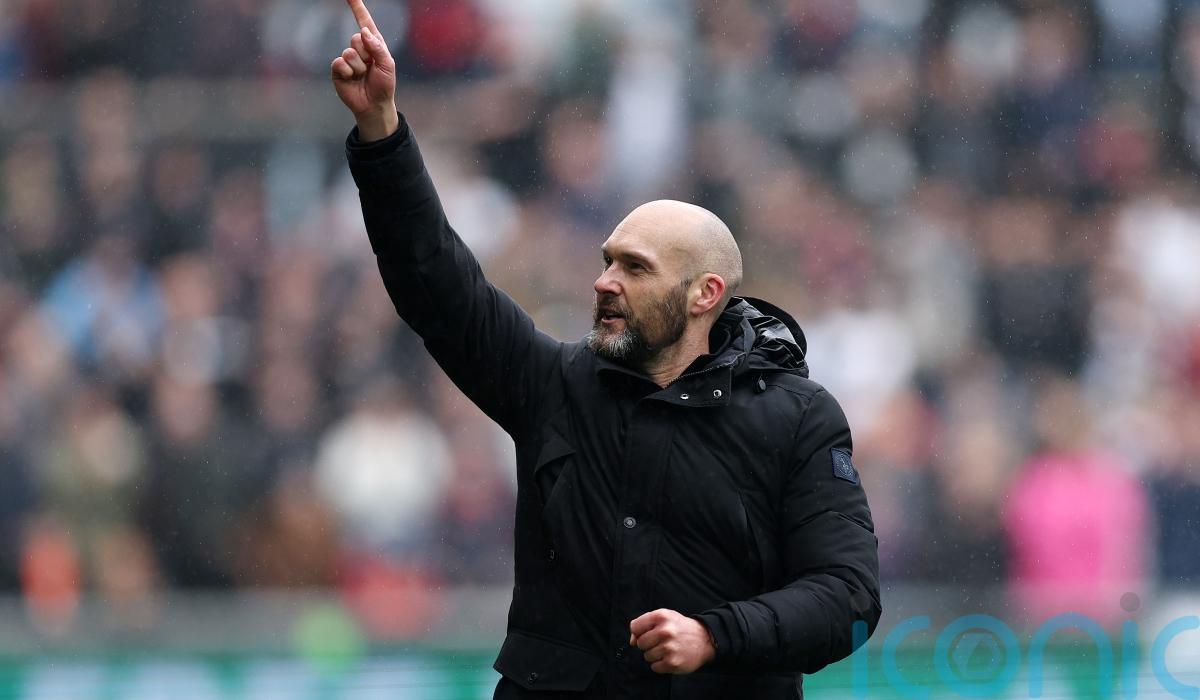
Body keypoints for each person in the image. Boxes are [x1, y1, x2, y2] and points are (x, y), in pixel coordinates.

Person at [331, 2, 881, 697]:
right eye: (607, 261)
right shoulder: (555, 385)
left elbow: (848, 597)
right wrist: (381, 131)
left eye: (635, 268)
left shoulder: (797, 418)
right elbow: (434, 280)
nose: (604, 281)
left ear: (704, 294)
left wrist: (717, 636)